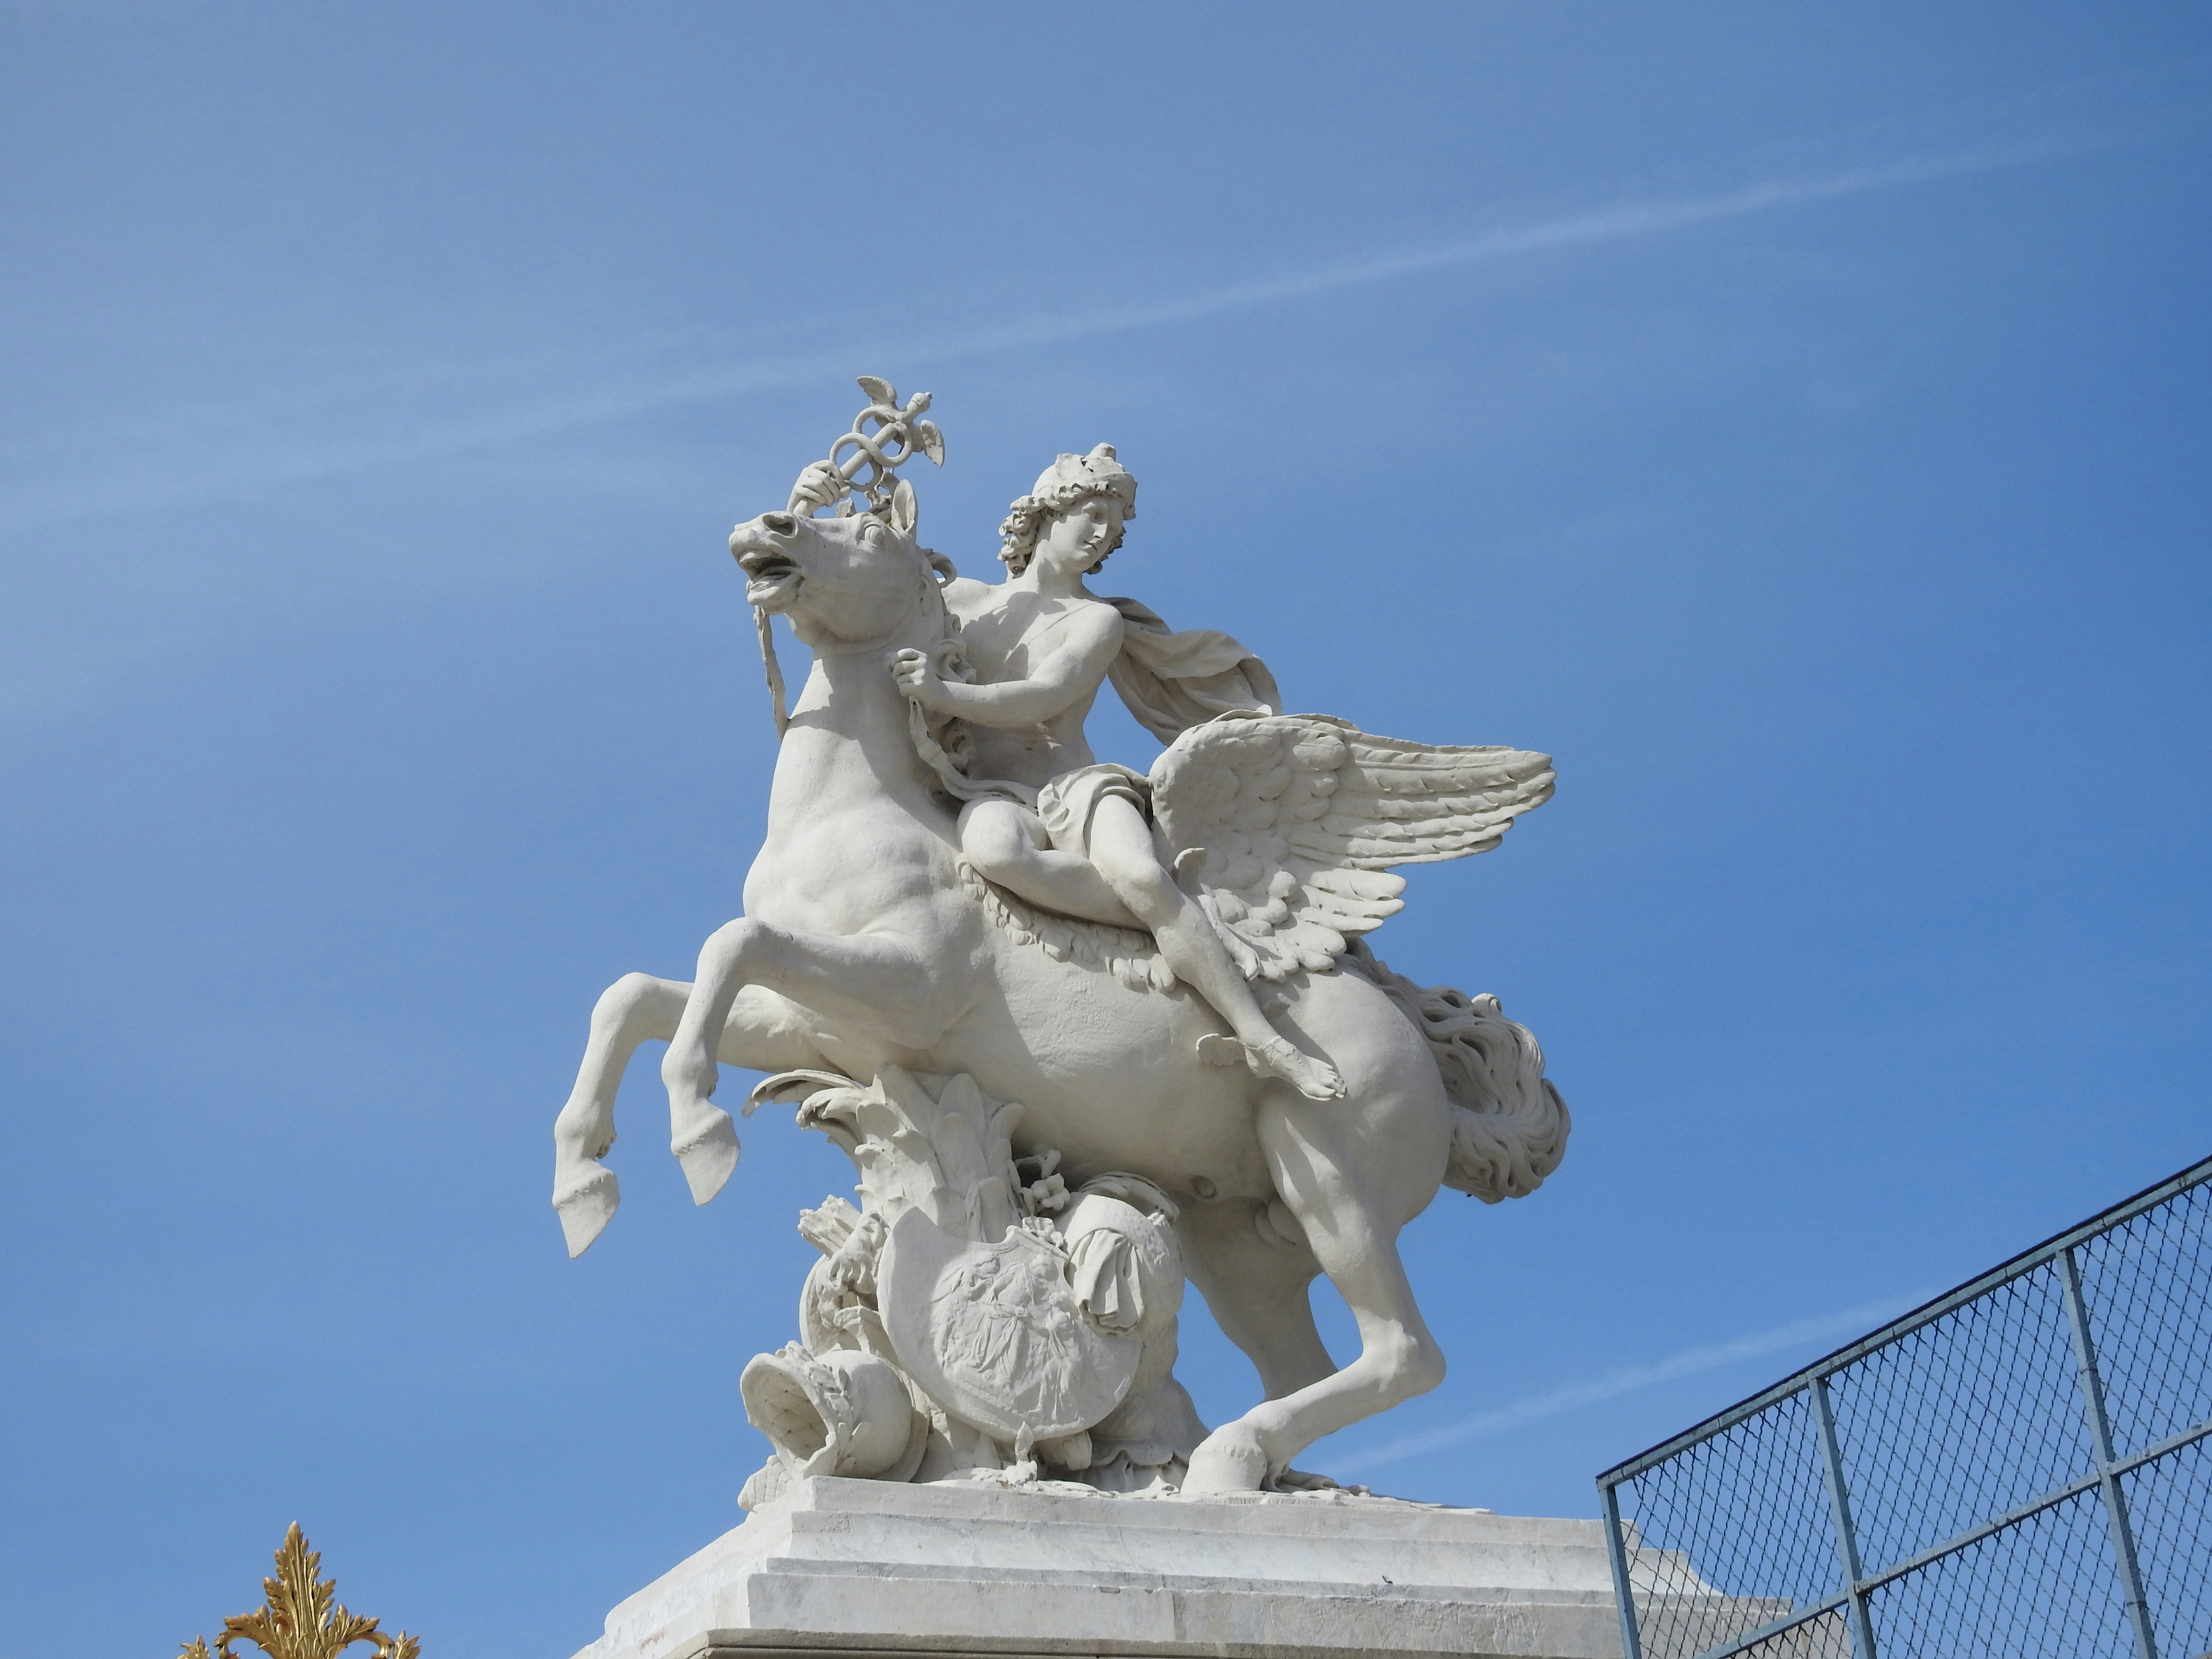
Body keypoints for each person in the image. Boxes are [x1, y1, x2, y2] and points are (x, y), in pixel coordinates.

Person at [890, 445, 1345, 1101]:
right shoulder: (962, 599)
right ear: (1050, 510)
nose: (1103, 534)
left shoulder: (1096, 620)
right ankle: (1173, 925)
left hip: (1076, 790)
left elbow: (1045, 697)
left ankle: (1259, 1033)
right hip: (988, 791)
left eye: (1115, 526)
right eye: (1093, 513)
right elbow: (866, 583)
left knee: (1137, 874)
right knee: (993, 850)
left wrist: (945, 697)